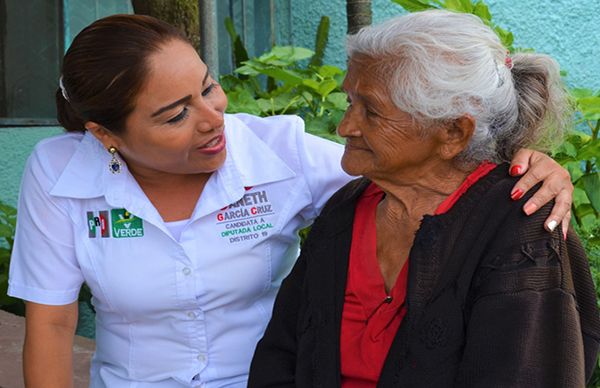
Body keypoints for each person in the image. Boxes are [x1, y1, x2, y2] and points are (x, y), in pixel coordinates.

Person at [7, 13, 574, 388]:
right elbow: (52, 326)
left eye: (208, 87)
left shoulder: (279, 156)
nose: (214, 121)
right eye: (176, 114)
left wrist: (533, 164)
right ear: (105, 135)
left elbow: (434, 164)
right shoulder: (61, 172)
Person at [248, 10, 600, 388]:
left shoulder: (520, 225)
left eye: (372, 111)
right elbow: (279, 358)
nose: (345, 126)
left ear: (452, 132)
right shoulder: (346, 210)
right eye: (350, 101)